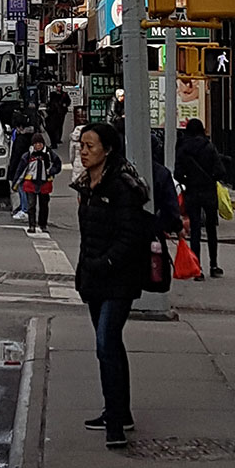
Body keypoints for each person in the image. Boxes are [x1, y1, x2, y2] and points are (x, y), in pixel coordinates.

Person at [72, 120, 148, 449]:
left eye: (90, 146)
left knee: (106, 342)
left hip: (118, 277)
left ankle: (115, 423)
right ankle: (118, 410)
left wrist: (106, 263)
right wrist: (87, 270)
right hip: (94, 277)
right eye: (81, 146)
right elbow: (88, 236)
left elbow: (129, 236)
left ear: (108, 149)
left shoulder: (121, 186)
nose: (83, 151)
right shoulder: (86, 186)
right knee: (110, 345)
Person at [175, 117, 226, 280]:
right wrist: (209, 178)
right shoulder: (209, 147)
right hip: (208, 192)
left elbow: (177, 174)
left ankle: (197, 268)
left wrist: (188, 180)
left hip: (192, 192)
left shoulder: (183, 149)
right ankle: (214, 265)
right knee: (211, 229)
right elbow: (220, 171)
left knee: (195, 230)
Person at [12, 132, 60, 235]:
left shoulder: (49, 154)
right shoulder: (27, 155)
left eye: (40, 143)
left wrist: (51, 171)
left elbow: (58, 165)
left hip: (45, 183)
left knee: (44, 206)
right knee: (31, 205)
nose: (38, 146)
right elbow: (20, 169)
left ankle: (43, 224)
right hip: (30, 183)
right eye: (36, 144)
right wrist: (15, 182)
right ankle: (32, 225)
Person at [151, 131, 183, 241]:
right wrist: (176, 227)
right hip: (154, 228)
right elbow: (170, 204)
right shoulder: (161, 173)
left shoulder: (122, 171)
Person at [8, 112, 35, 221]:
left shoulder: (20, 140)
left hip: (21, 167)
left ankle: (24, 210)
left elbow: (16, 156)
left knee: (21, 187)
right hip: (27, 167)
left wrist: (11, 170)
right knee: (24, 187)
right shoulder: (29, 136)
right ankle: (24, 208)